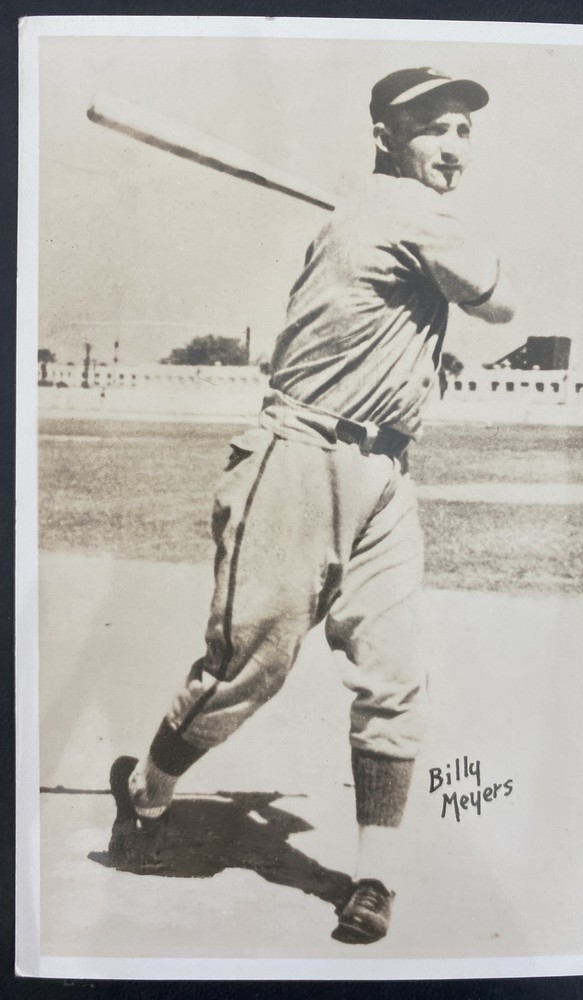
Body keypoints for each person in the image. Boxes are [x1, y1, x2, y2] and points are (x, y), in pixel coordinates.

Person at [108, 66, 515, 945]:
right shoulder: (397, 214)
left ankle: (374, 877)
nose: (451, 147)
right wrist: (422, 221)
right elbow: (504, 299)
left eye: (462, 132)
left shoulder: (389, 212)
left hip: (385, 473)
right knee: (244, 670)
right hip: (298, 456)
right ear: (386, 139)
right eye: (430, 129)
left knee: (394, 675)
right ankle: (145, 792)